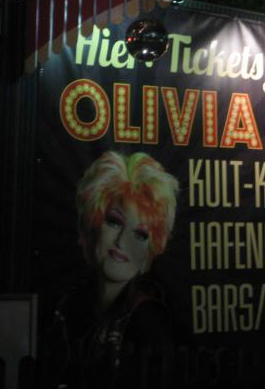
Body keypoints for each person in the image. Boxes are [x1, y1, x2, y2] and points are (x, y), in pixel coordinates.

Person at [43, 150, 179, 388]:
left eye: (140, 234)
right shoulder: (69, 307)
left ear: (151, 250)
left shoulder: (147, 318)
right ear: (92, 223)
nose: (122, 242)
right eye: (115, 222)